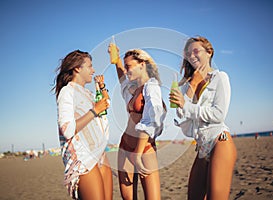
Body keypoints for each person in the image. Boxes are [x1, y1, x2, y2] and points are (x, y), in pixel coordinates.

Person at [169, 36, 237, 200]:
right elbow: (180, 117)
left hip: (219, 141)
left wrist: (186, 106)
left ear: (209, 53)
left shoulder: (220, 78)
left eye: (196, 51)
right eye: (188, 53)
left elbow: (218, 114)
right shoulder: (186, 84)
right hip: (201, 148)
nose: (191, 56)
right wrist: (192, 86)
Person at [108, 45, 166, 200]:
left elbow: (152, 119)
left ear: (142, 64)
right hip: (125, 146)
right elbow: (122, 78)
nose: (126, 71)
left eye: (129, 67)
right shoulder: (132, 88)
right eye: (125, 67)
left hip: (143, 148)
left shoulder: (151, 87)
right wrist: (117, 60)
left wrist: (138, 154)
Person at [53, 50, 112, 200]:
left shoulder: (88, 93)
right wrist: (94, 110)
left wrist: (102, 87)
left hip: (100, 153)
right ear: (77, 68)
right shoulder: (67, 92)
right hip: (83, 158)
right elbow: (67, 129)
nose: (93, 70)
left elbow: (105, 106)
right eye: (90, 66)